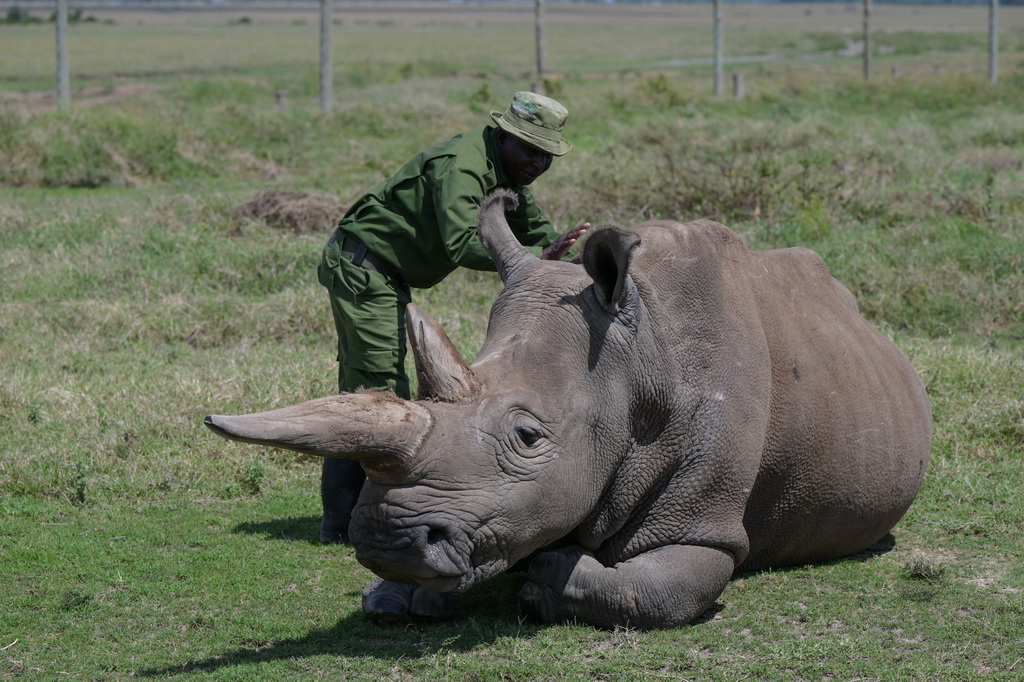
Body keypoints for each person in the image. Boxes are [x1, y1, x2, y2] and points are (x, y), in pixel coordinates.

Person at [316, 91, 589, 543]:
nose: (538, 164)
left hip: (390, 271)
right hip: (364, 267)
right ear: (503, 137)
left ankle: (357, 514)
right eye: (530, 150)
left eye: (547, 155)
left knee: (377, 385)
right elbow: (461, 243)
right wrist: (534, 258)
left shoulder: (506, 174)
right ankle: (342, 523)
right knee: (375, 389)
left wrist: (571, 259)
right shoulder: (462, 166)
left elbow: (540, 235)